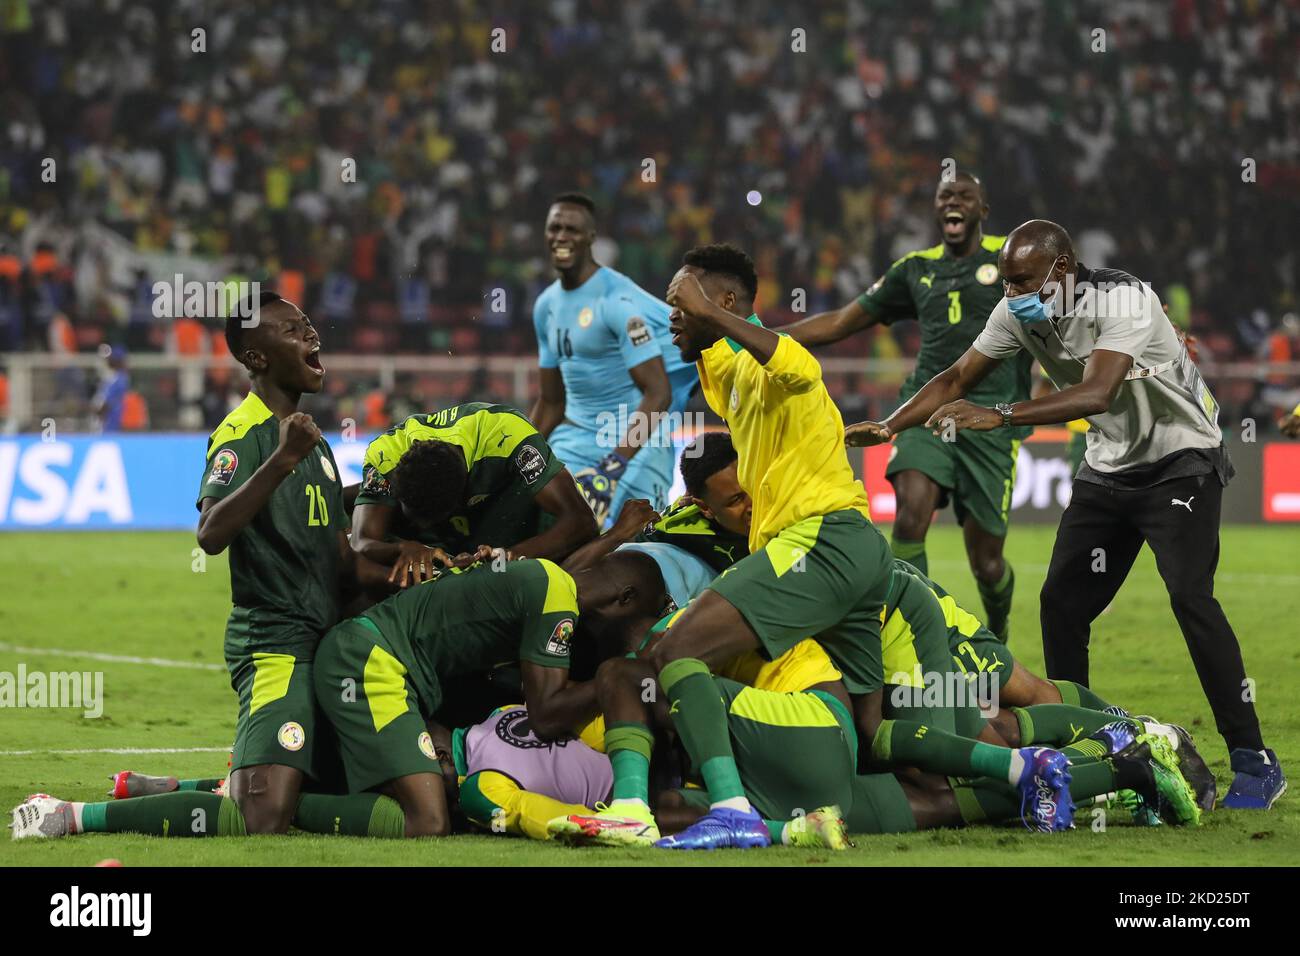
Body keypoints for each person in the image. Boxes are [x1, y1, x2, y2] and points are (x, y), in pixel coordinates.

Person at [843, 219, 1284, 810]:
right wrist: (891, 424)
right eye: (1005, 281)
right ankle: (1088, 744)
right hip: (1109, 467)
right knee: (1061, 604)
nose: (1009, 294)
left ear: (1062, 269)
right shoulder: (1016, 309)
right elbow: (952, 378)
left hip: (1182, 456)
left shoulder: (1124, 299)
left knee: (1189, 595)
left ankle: (1254, 759)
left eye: (1022, 281)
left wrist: (999, 414)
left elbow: (1096, 393)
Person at [12, 292, 399, 841]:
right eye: (293, 331)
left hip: (323, 640)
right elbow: (211, 532)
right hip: (276, 644)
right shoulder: (244, 433)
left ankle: (165, 788)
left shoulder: (313, 442)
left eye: (309, 325)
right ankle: (69, 815)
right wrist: (281, 460)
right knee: (263, 818)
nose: (312, 336)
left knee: (334, 779)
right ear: (257, 358)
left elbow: (338, 550)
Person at [785, 172, 1030, 641]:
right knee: (911, 513)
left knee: (988, 563)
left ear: (983, 209)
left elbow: (1064, 300)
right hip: (927, 406)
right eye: (944, 196)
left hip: (989, 419)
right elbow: (841, 322)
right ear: (936, 210)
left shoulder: (1008, 259)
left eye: (965, 196)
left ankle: (996, 632)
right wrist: (761, 336)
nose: (953, 202)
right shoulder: (915, 269)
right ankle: (921, 634)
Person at [530, 192, 698, 524]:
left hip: (638, 443)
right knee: (540, 525)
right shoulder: (546, 306)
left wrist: (612, 466)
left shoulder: (617, 300)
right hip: (576, 440)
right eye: (555, 228)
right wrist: (513, 456)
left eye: (572, 230)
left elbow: (658, 393)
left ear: (591, 237)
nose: (562, 236)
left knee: (624, 551)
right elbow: (551, 403)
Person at [348, 403, 597, 587]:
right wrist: (406, 547)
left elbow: (581, 521)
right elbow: (361, 542)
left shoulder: (508, 433)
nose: (418, 525)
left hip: (512, 532)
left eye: (430, 520)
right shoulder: (385, 454)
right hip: (447, 555)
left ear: (463, 499)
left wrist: (506, 558)